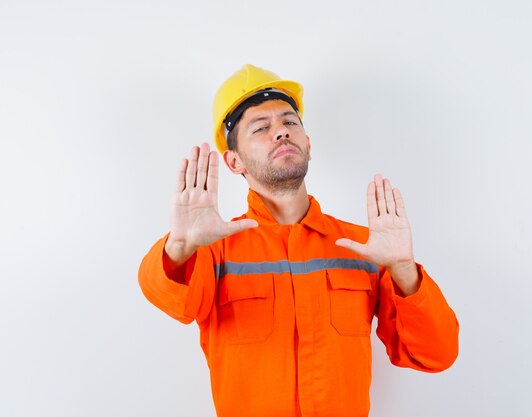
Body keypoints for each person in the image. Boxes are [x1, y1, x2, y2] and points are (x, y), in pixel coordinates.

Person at [138, 64, 459, 417]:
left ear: (308, 143)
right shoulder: (212, 252)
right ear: (234, 161)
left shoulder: (363, 249)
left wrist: (403, 270)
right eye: (261, 127)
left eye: (290, 122)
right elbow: (169, 299)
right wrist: (181, 246)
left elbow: (436, 353)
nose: (281, 133)